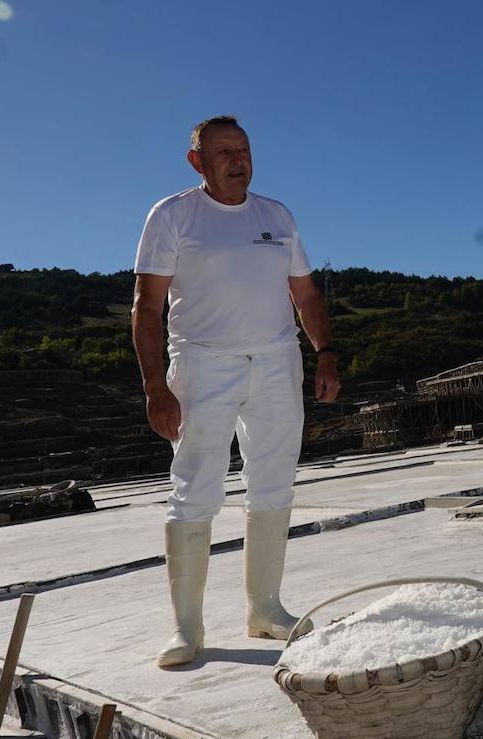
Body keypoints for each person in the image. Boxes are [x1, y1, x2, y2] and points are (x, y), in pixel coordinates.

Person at [132, 115, 340, 668]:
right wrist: (156, 386)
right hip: (201, 364)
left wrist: (325, 352)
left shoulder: (277, 216)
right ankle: (186, 627)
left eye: (243, 149)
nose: (237, 159)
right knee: (195, 488)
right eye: (223, 151)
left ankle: (266, 609)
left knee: (273, 484)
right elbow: (146, 307)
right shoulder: (173, 216)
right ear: (196, 160)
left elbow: (305, 294)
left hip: (276, 361)